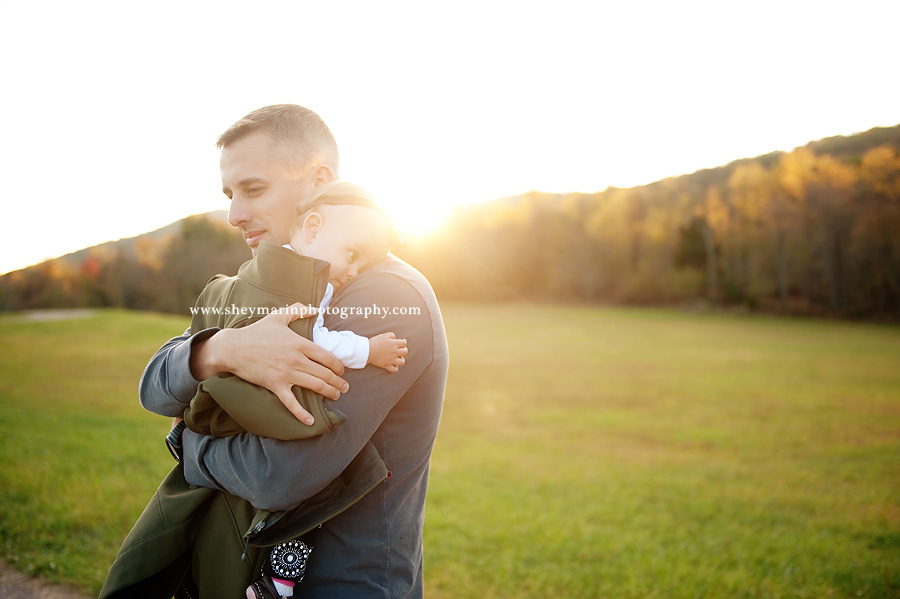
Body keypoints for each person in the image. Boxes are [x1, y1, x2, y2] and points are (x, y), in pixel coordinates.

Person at [131, 104, 448, 598]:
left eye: (254, 189)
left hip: (345, 584)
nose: (235, 214)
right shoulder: (271, 289)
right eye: (230, 195)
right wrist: (219, 350)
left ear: (319, 180)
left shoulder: (385, 295)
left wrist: (190, 445)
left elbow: (277, 476)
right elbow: (154, 388)